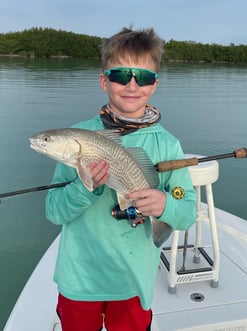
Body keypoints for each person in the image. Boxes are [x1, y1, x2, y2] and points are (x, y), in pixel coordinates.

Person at [46, 27, 196, 331]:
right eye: (120, 75)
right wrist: (84, 187)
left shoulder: (168, 145)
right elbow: (53, 211)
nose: (131, 84)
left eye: (142, 77)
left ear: (153, 85)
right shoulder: (79, 136)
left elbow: (187, 210)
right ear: (104, 81)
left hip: (132, 279)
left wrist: (165, 204)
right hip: (79, 278)